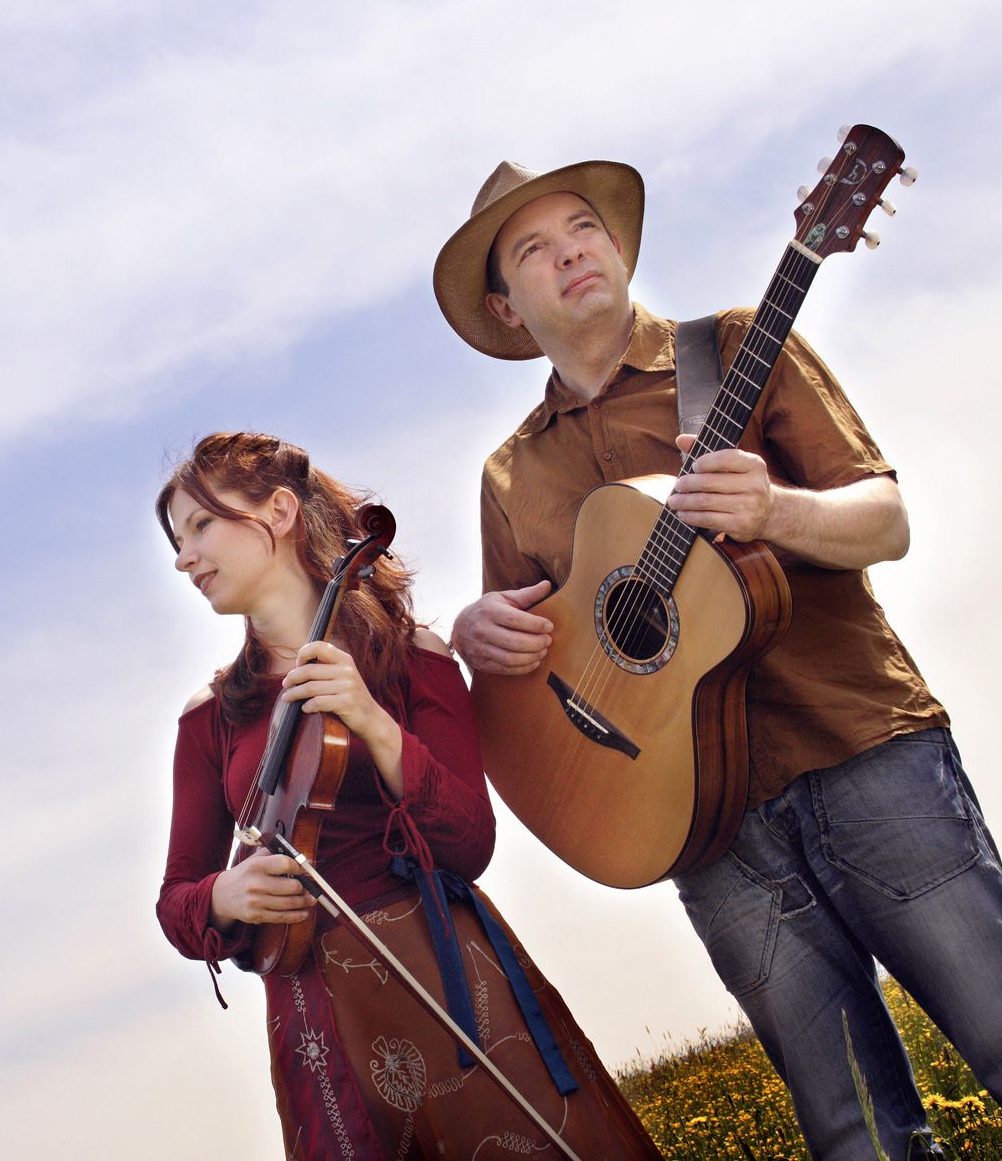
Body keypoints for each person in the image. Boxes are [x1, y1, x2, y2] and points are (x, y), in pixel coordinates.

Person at [434, 159, 1002, 1159]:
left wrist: (774, 510)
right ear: (505, 307)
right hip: (704, 832)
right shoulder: (510, 474)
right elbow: (540, 661)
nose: (570, 247)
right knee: (855, 1140)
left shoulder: (738, 346)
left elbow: (884, 518)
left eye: (582, 226)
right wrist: (478, 632)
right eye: (533, 247)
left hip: (864, 755)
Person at [154, 431, 662, 1160]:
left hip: (452, 979)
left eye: (202, 523)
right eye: (176, 538)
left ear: (281, 510)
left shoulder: (414, 657)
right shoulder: (209, 717)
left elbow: (470, 843)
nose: (183, 556)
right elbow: (178, 898)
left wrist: (371, 722)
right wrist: (226, 896)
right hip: (315, 1011)